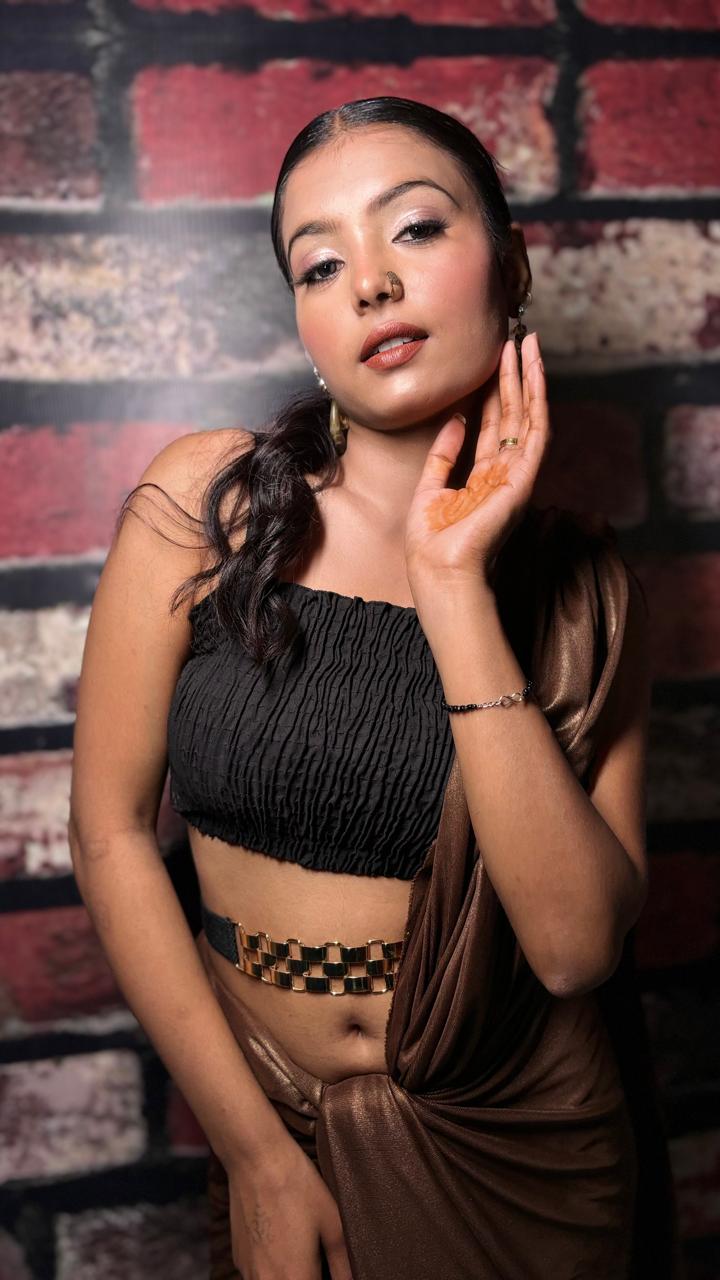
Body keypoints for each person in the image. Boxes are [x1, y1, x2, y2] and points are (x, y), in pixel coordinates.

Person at [68, 97, 684, 1280]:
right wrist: (255, 1153)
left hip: (523, 1148)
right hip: (270, 1117)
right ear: (304, 317)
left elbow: (572, 949)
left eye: (415, 228)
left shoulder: (585, 587)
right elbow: (108, 833)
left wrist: (450, 582)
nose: (369, 283)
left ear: (511, 267)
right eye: (320, 262)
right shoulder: (208, 505)